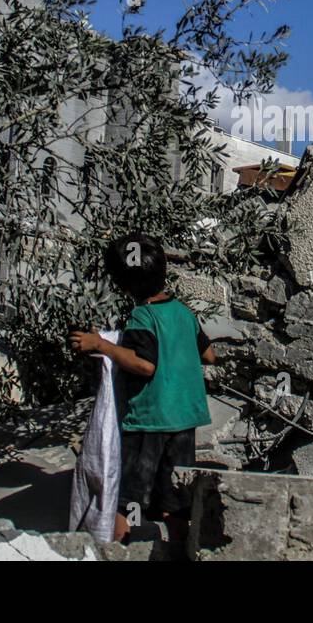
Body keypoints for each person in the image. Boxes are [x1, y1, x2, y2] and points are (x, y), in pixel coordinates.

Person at [69, 233, 214, 544]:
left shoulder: (142, 316)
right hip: (185, 419)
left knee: (131, 495)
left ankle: (120, 547)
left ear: (124, 286)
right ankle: (178, 549)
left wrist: (101, 345)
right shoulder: (183, 312)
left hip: (151, 420)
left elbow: (144, 364)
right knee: (175, 493)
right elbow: (208, 354)